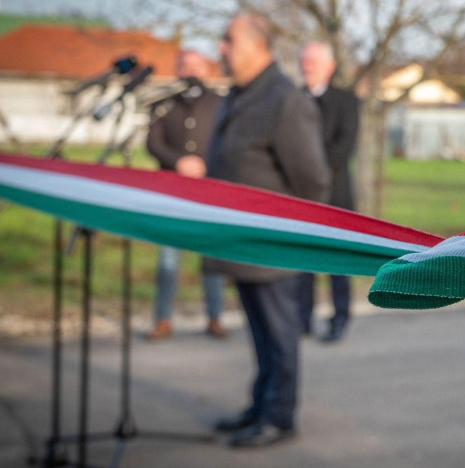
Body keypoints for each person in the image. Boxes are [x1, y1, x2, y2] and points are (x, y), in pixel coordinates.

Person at [208, 14, 331, 447]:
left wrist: (287, 234)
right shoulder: (240, 94)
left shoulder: (284, 100)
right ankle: (260, 405)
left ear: (257, 45)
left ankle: (279, 417)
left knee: (280, 336)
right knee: (261, 335)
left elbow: (313, 182)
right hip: (242, 243)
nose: (221, 48)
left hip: (273, 247)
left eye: (228, 39)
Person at [145, 50, 227, 340]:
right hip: (173, 191)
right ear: (178, 70)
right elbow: (153, 143)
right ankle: (163, 319)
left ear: (206, 69)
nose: (191, 71)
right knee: (168, 259)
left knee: (212, 257)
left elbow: (228, 141)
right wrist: (178, 161)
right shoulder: (163, 103)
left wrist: (206, 164)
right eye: (186, 66)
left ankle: (215, 317)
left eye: (197, 65)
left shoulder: (220, 102)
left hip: (209, 190)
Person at [297, 42, 360, 342]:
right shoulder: (292, 99)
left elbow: (344, 146)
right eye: (304, 61)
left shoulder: (346, 101)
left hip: (335, 195)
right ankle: (302, 318)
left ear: (330, 66)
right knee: (303, 263)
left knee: (337, 262)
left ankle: (340, 317)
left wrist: (310, 172)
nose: (307, 66)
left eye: (313, 61)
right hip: (300, 196)